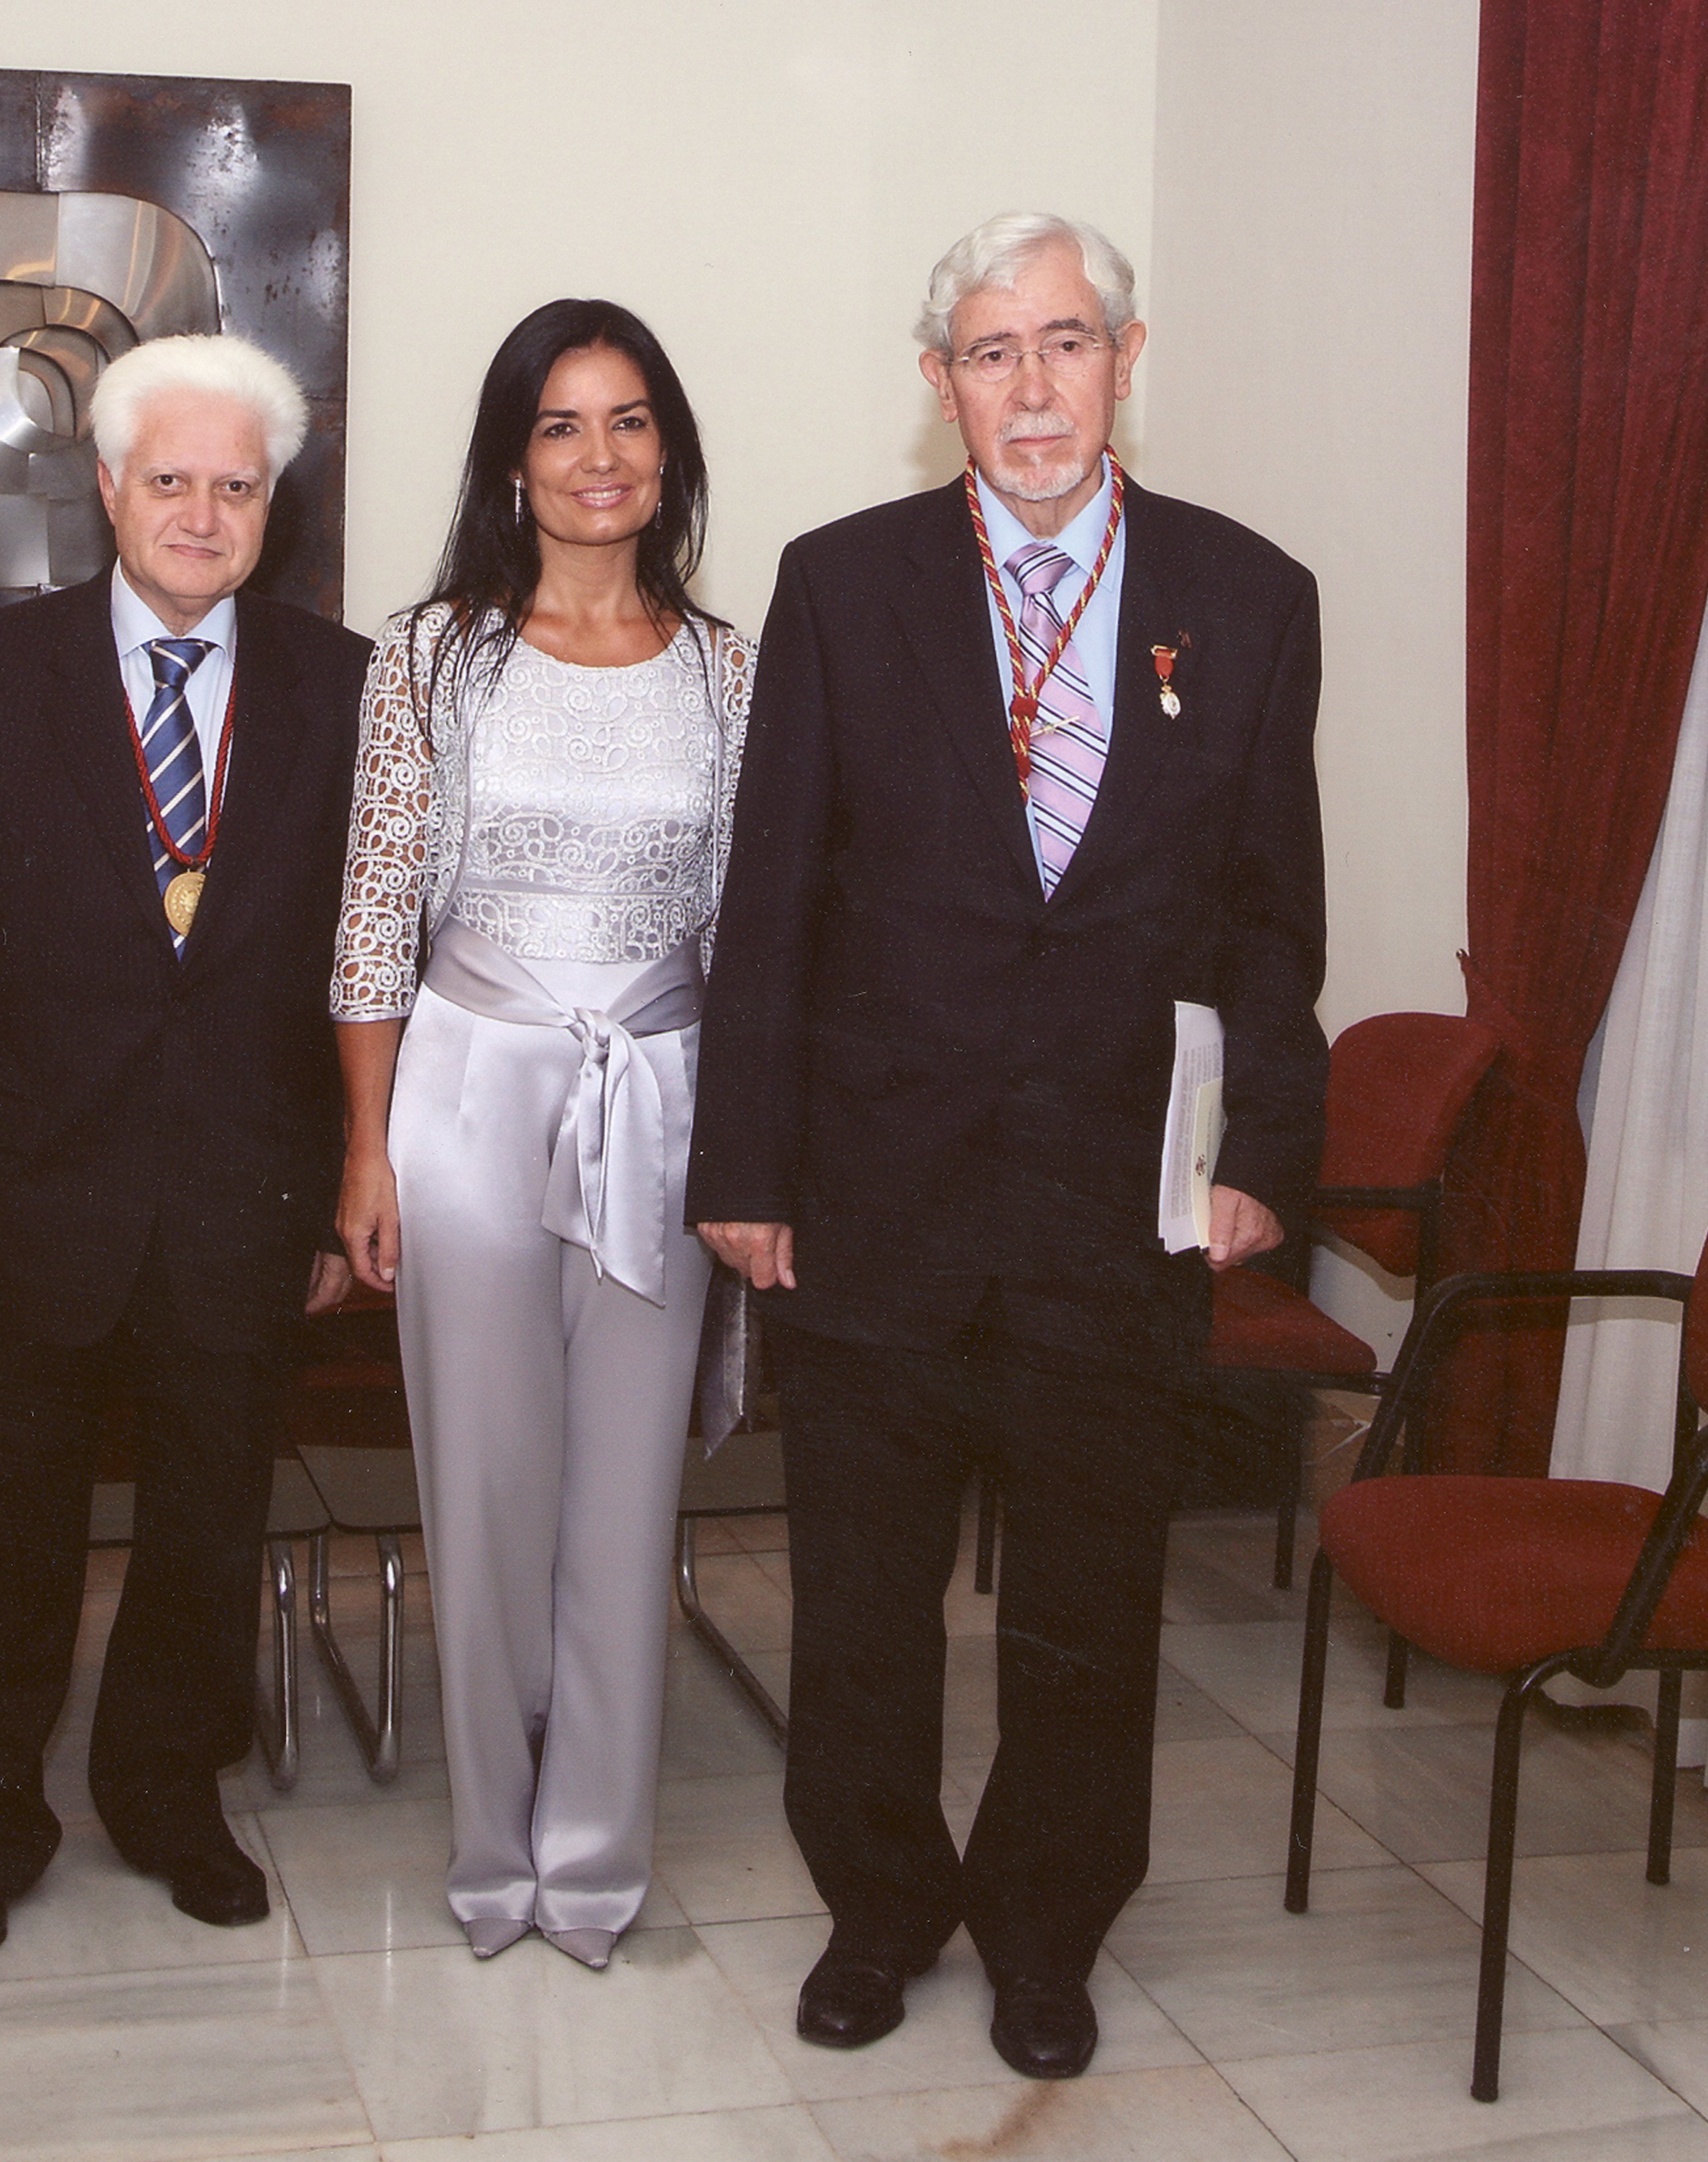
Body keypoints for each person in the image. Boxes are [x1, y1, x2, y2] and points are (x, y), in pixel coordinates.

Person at [687, 212, 1327, 2079]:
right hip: (875, 1192)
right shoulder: (842, 582)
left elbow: (1273, 916)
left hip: (1115, 1203)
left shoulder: (1250, 593)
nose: (1031, 387)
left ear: (1127, 357)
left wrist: (1263, 1149)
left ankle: (1047, 1930)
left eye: (1065, 343)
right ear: (937, 382)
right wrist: (746, 1166)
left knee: (1087, 1603)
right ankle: (880, 1910)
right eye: (991, 352)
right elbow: (772, 898)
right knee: (861, 1599)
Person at [0, 332, 370, 1970]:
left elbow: (358, 968)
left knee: (208, 1525)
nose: (203, 516)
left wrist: (333, 1195)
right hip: (29, 1197)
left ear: (272, 506)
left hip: (244, 1196)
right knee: (6, 1537)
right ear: (104, 486)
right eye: (171, 481)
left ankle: (166, 1794)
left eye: (237, 487)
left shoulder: (346, 689)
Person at [331, 300, 750, 1968]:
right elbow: (374, 915)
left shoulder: (729, 668)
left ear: (670, 453)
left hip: (662, 1104)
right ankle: (491, 1839)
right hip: (467, 1102)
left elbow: (747, 932)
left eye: (630, 420)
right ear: (514, 459)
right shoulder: (432, 653)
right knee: (489, 1488)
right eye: (562, 424)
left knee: (625, 1498)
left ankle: (593, 1857)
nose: (599, 457)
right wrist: (366, 1149)